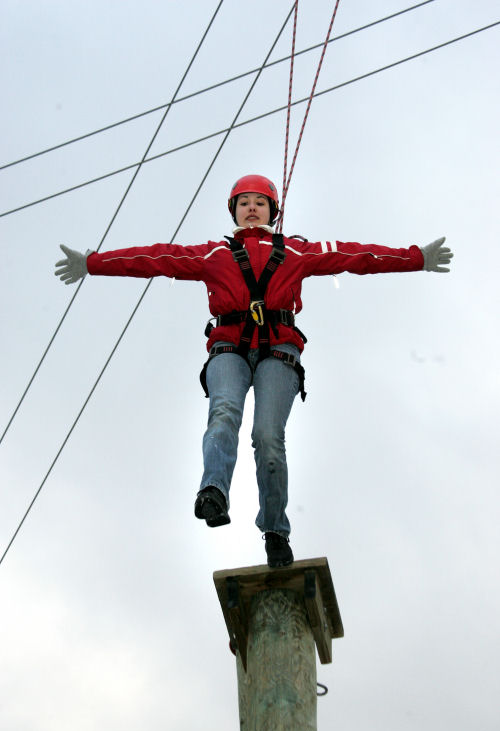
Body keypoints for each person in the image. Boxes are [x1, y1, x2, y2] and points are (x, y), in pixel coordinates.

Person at [55, 174, 453, 567]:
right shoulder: (216, 255)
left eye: (259, 203)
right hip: (229, 347)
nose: (251, 208)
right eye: (243, 202)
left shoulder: (297, 252)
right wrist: (93, 263)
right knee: (224, 410)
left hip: (278, 350)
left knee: (267, 437)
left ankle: (275, 529)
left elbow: (354, 256)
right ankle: (213, 491)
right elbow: (155, 258)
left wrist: (416, 257)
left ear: (272, 211)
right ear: (233, 210)